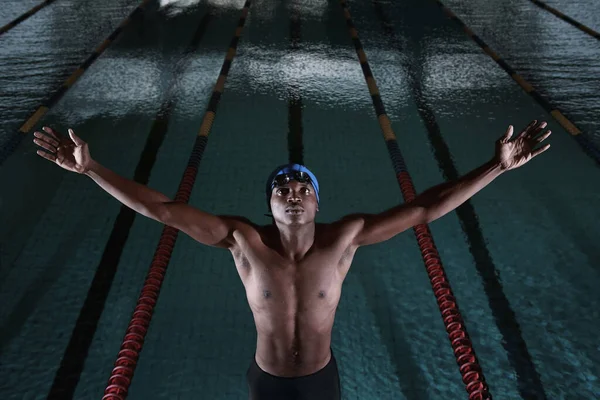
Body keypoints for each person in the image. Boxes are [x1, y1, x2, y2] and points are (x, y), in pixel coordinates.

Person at [33, 120, 551, 399]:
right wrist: (93, 169)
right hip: (268, 381)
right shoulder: (242, 240)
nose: (292, 191)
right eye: (281, 187)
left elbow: (423, 209)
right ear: (269, 203)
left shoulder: (345, 236)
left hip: (321, 381)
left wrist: (495, 168)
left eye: (303, 185)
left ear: (318, 201)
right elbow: (162, 210)